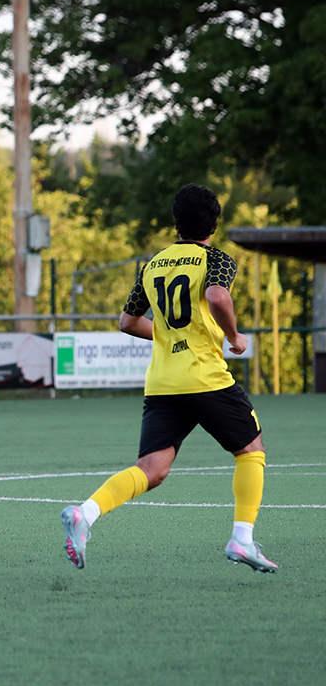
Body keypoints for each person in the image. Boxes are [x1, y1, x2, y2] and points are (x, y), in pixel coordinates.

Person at [62, 184, 275, 573]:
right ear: (214, 223)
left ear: (176, 222)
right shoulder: (218, 260)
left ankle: (85, 513)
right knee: (251, 450)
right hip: (205, 378)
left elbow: (127, 322)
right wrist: (233, 336)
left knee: (152, 470)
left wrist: (165, 335)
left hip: (163, 383)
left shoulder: (155, 264)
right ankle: (242, 540)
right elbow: (217, 298)